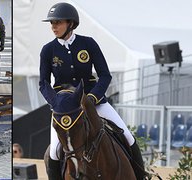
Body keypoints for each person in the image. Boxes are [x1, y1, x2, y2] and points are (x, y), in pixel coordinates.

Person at [39, 3, 146, 180]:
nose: (53, 27)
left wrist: (92, 98)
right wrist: (55, 102)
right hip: (64, 108)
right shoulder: (48, 50)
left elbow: (105, 75)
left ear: (70, 23)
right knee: (55, 151)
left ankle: (141, 176)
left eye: (57, 22)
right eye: (52, 23)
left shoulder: (88, 43)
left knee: (128, 136)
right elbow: (43, 83)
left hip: (94, 102)